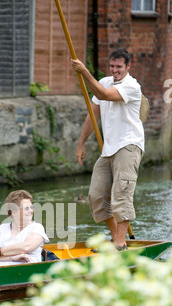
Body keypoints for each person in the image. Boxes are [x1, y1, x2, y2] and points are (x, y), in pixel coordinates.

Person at [71, 48, 145, 250]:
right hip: (109, 149)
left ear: (128, 66)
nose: (115, 70)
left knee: (121, 195)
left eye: (119, 67)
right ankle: (116, 240)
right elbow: (93, 113)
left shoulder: (131, 86)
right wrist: (81, 143)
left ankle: (119, 244)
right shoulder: (104, 82)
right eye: (112, 66)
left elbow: (103, 94)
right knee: (96, 196)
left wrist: (84, 72)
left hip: (129, 146)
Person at [0, 189, 49, 267]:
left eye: (31, 207)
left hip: (26, 269)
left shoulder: (37, 227)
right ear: (13, 212)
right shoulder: (1, 228)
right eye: (26, 208)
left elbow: (26, 247)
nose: (31, 211)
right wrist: (12, 257)